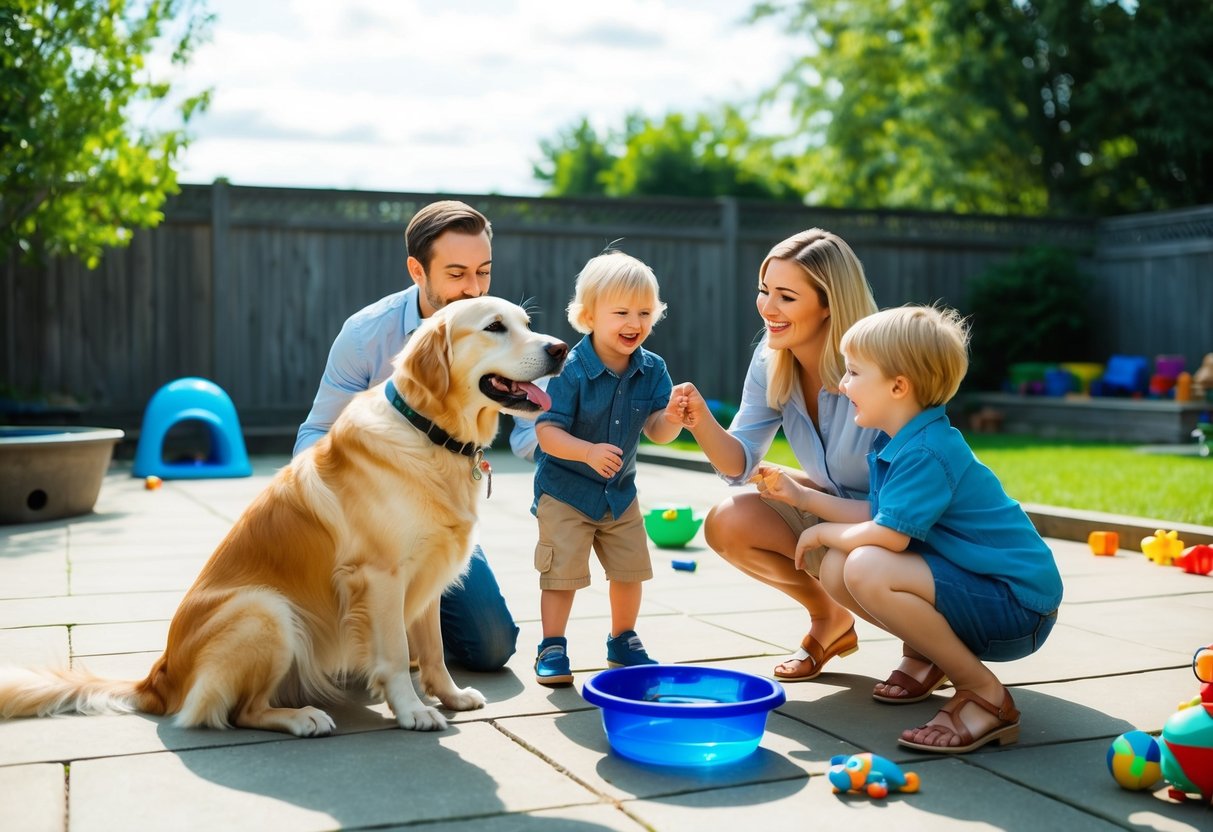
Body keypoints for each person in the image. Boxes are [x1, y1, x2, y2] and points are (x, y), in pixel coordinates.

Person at [755, 305, 1062, 753]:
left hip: (1016, 606)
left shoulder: (926, 453)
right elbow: (879, 516)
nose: (842, 385)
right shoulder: (899, 440)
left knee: (864, 566)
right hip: (984, 590)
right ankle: (933, 657)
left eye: (854, 372)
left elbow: (887, 538)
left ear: (899, 386)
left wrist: (818, 532)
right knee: (842, 567)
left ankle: (984, 695)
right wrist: (803, 499)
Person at [294, 199, 520, 673]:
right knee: (338, 638)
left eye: (483, 272)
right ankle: (382, 634)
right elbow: (316, 432)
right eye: (456, 274)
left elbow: (532, 425)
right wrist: (330, 516)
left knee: (494, 646)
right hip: (370, 516)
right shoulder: (366, 335)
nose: (473, 288)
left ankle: (406, 636)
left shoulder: (496, 328)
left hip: (441, 509)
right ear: (418, 270)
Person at [664, 229, 879, 682]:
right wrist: (700, 420)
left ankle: (926, 650)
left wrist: (813, 503)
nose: (767, 308)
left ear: (829, 304)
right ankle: (830, 620)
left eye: (786, 296)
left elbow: (911, 497)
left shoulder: (881, 365)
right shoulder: (772, 358)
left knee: (850, 563)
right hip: (838, 512)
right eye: (764, 291)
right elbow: (739, 461)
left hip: (901, 524)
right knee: (727, 520)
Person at [530, 250, 680, 686]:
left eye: (645, 312)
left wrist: (672, 417)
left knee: (630, 570)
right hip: (565, 490)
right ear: (588, 315)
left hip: (619, 492)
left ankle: (623, 639)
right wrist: (587, 451)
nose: (634, 322)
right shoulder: (570, 369)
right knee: (562, 574)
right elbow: (547, 432)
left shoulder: (653, 370)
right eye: (621, 312)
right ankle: (552, 644)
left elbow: (657, 430)